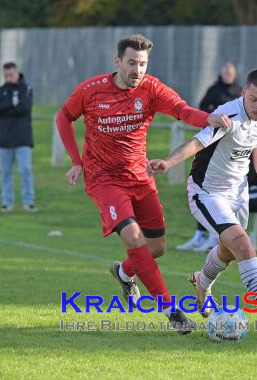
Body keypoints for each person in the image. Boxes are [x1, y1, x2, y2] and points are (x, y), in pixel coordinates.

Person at [55, 34, 232, 335]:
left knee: (156, 247)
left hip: (139, 177)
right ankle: (171, 311)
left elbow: (182, 110)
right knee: (134, 238)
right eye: (132, 63)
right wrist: (76, 161)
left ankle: (124, 273)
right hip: (104, 180)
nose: (138, 69)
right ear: (117, 62)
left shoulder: (151, 89)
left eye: (143, 63)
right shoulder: (92, 90)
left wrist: (209, 118)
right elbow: (63, 117)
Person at [148, 69, 257, 339]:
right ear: (243, 94)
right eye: (254, 99)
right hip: (207, 193)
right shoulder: (228, 116)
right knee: (243, 245)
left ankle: (202, 281)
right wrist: (168, 162)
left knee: (227, 252)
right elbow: (195, 143)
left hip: (238, 195)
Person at [177, 62, 243, 252]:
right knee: (204, 192)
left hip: (230, 151)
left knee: (221, 196)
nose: (228, 74)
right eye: (225, 71)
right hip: (212, 146)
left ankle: (217, 238)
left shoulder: (239, 93)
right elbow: (204, 110)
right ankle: (201, 236)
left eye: (231, 72)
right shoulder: (214, 90)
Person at [0, 62, 37, 213]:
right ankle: (7, 202)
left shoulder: (26, 88)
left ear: (17, 73)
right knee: (6, 173)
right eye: (6, 75)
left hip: (23, 139)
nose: (9, 78)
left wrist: (6, 108)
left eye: (11, 74)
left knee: (25, 170)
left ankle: (28, 202)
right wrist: (12, 103)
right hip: (4, 139)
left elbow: (24, 108)